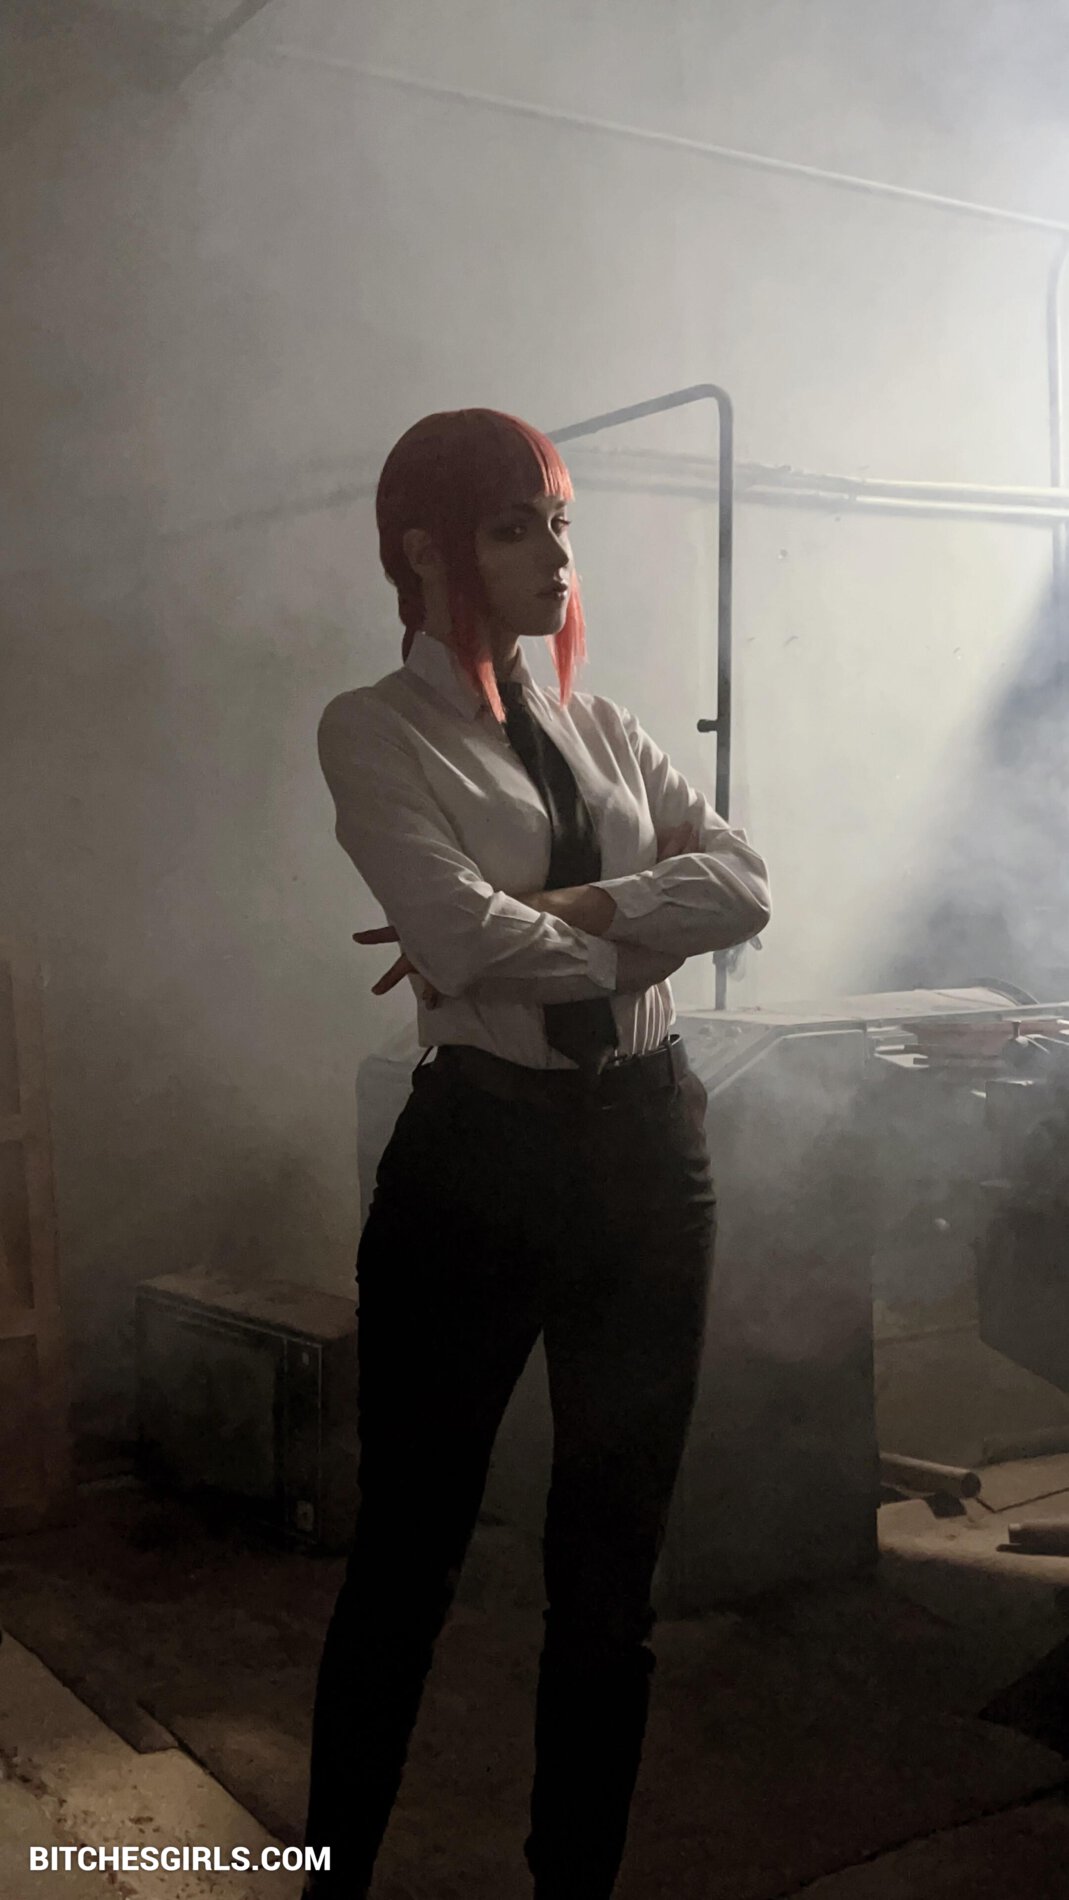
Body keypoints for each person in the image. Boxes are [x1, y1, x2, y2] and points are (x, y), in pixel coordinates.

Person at [302, 406, 771, 1899]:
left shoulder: (606, 726)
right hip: (480, 1162)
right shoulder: (375, 728)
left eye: (560, 523)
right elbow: (458, 938)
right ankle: (329, 1878)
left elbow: (747, 888)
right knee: (406, 1561)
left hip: (645, 1151)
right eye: (515, 528)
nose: (556, 555)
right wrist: (632, 927)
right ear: (425, 553)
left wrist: (565, 918)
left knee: (610, 1579)